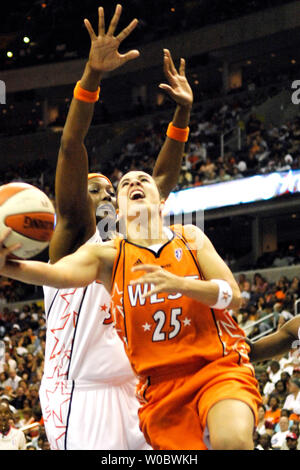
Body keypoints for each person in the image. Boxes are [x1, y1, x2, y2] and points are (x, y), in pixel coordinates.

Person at [25, 5, 193, 450]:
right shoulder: (74, 238)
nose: (102, 192)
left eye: (108, 189)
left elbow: (159, 183)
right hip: (81, 394)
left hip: (135, 386)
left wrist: (181, 118)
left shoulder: (131, 240)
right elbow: (70, 145)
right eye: (92, 188)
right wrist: (92, 77)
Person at [0, 168, 262, 450]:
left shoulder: (190, 237)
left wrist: (181, 285)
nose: (134, 183)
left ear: (160, 201)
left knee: (231, 442)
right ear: (118, 211)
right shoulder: (107, 256)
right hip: (160, 387)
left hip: (215, 367)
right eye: (125, 184)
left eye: (143, 180)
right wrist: (8, 266)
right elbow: (55, 275)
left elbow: (234, 296)